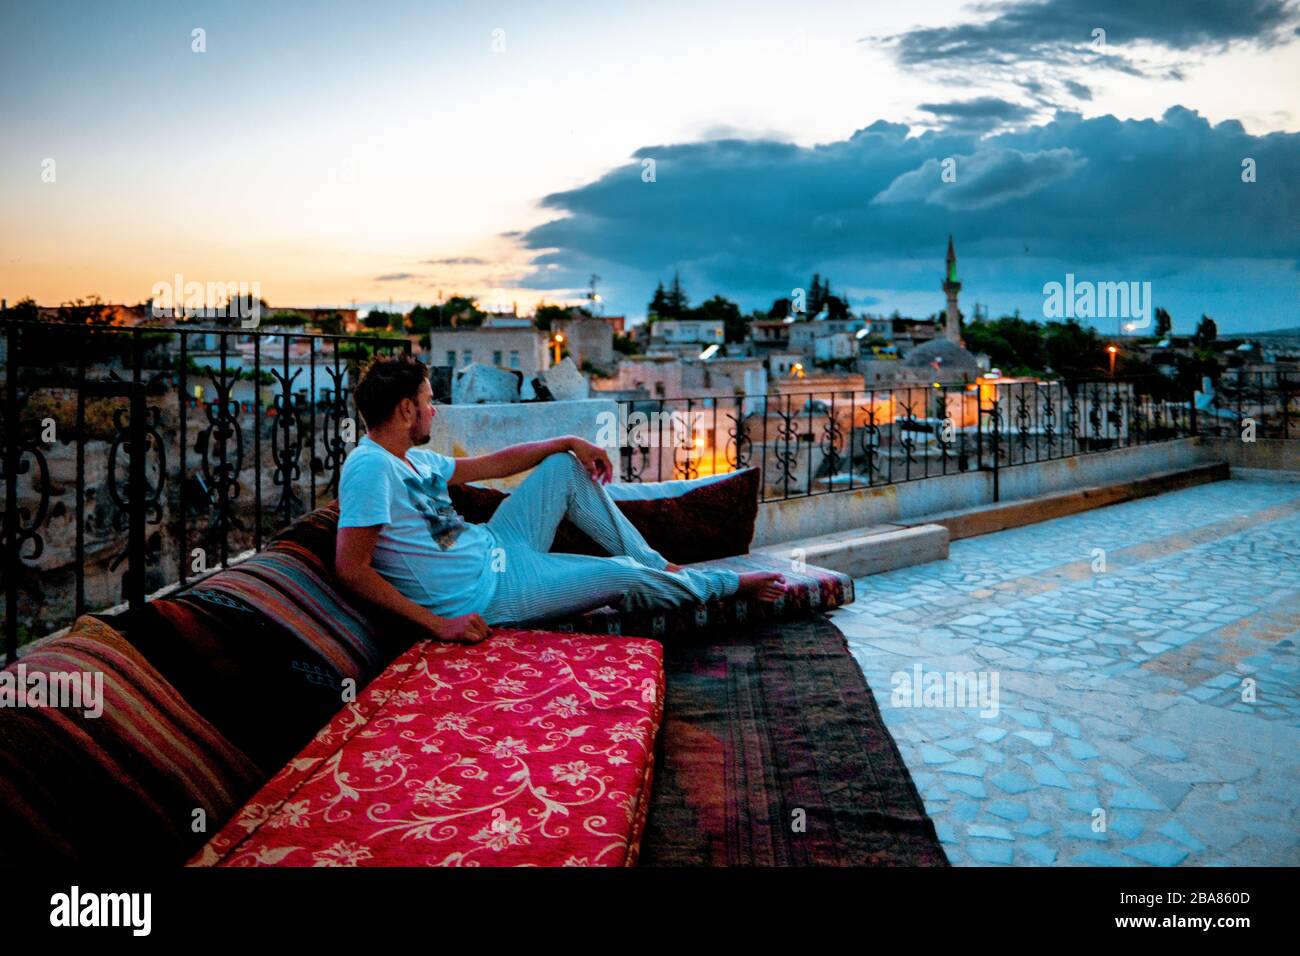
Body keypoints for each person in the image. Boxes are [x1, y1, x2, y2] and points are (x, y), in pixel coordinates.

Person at [335, 355, 786, 644]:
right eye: (429, 402)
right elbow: (351, 569)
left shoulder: (414, 460)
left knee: (563, 466)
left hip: (497, 544)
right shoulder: (370, 466)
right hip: (490, 591)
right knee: (622, 577)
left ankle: (659, 565)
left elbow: (496, 464)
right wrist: (438, 625)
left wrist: (571, 440)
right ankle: (723, 585)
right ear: (406, 409)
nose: (434, 410)